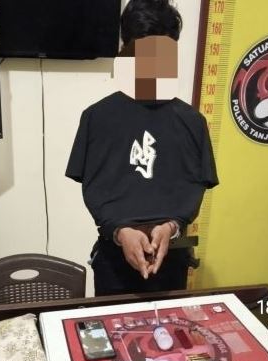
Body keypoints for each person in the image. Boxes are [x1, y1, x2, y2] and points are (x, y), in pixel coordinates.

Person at [66, 0, 218, 295]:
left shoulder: (192, 122)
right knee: (112, 322)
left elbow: (193, 189)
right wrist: (122, 231)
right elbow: (95, 189)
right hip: (112, 261)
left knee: (172, 324)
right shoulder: (96, 118)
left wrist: (170, 227)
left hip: (172, 258)